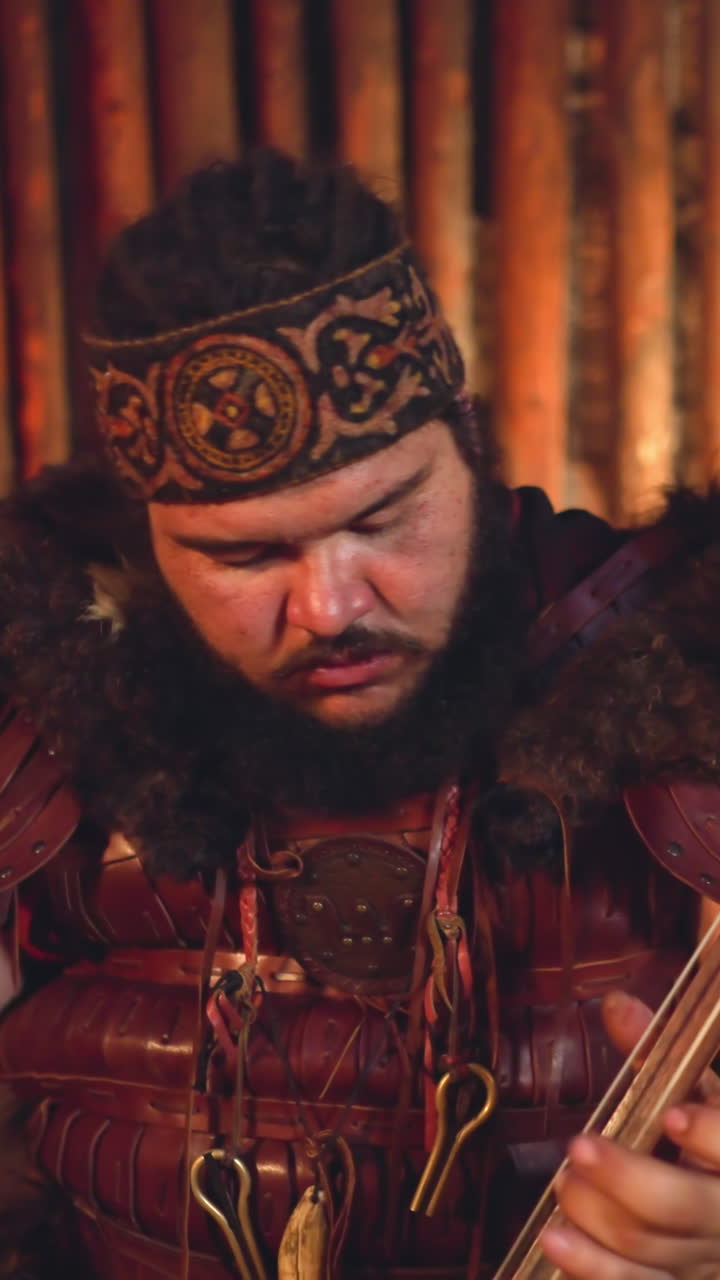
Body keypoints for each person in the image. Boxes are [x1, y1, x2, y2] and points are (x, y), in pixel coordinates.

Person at [1, 147, 720, 1280]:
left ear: (467, 444)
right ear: (146, 532)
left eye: (385, 519)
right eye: (241, 554)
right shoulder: (35, 716)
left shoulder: (689, 672)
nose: (330, 606)